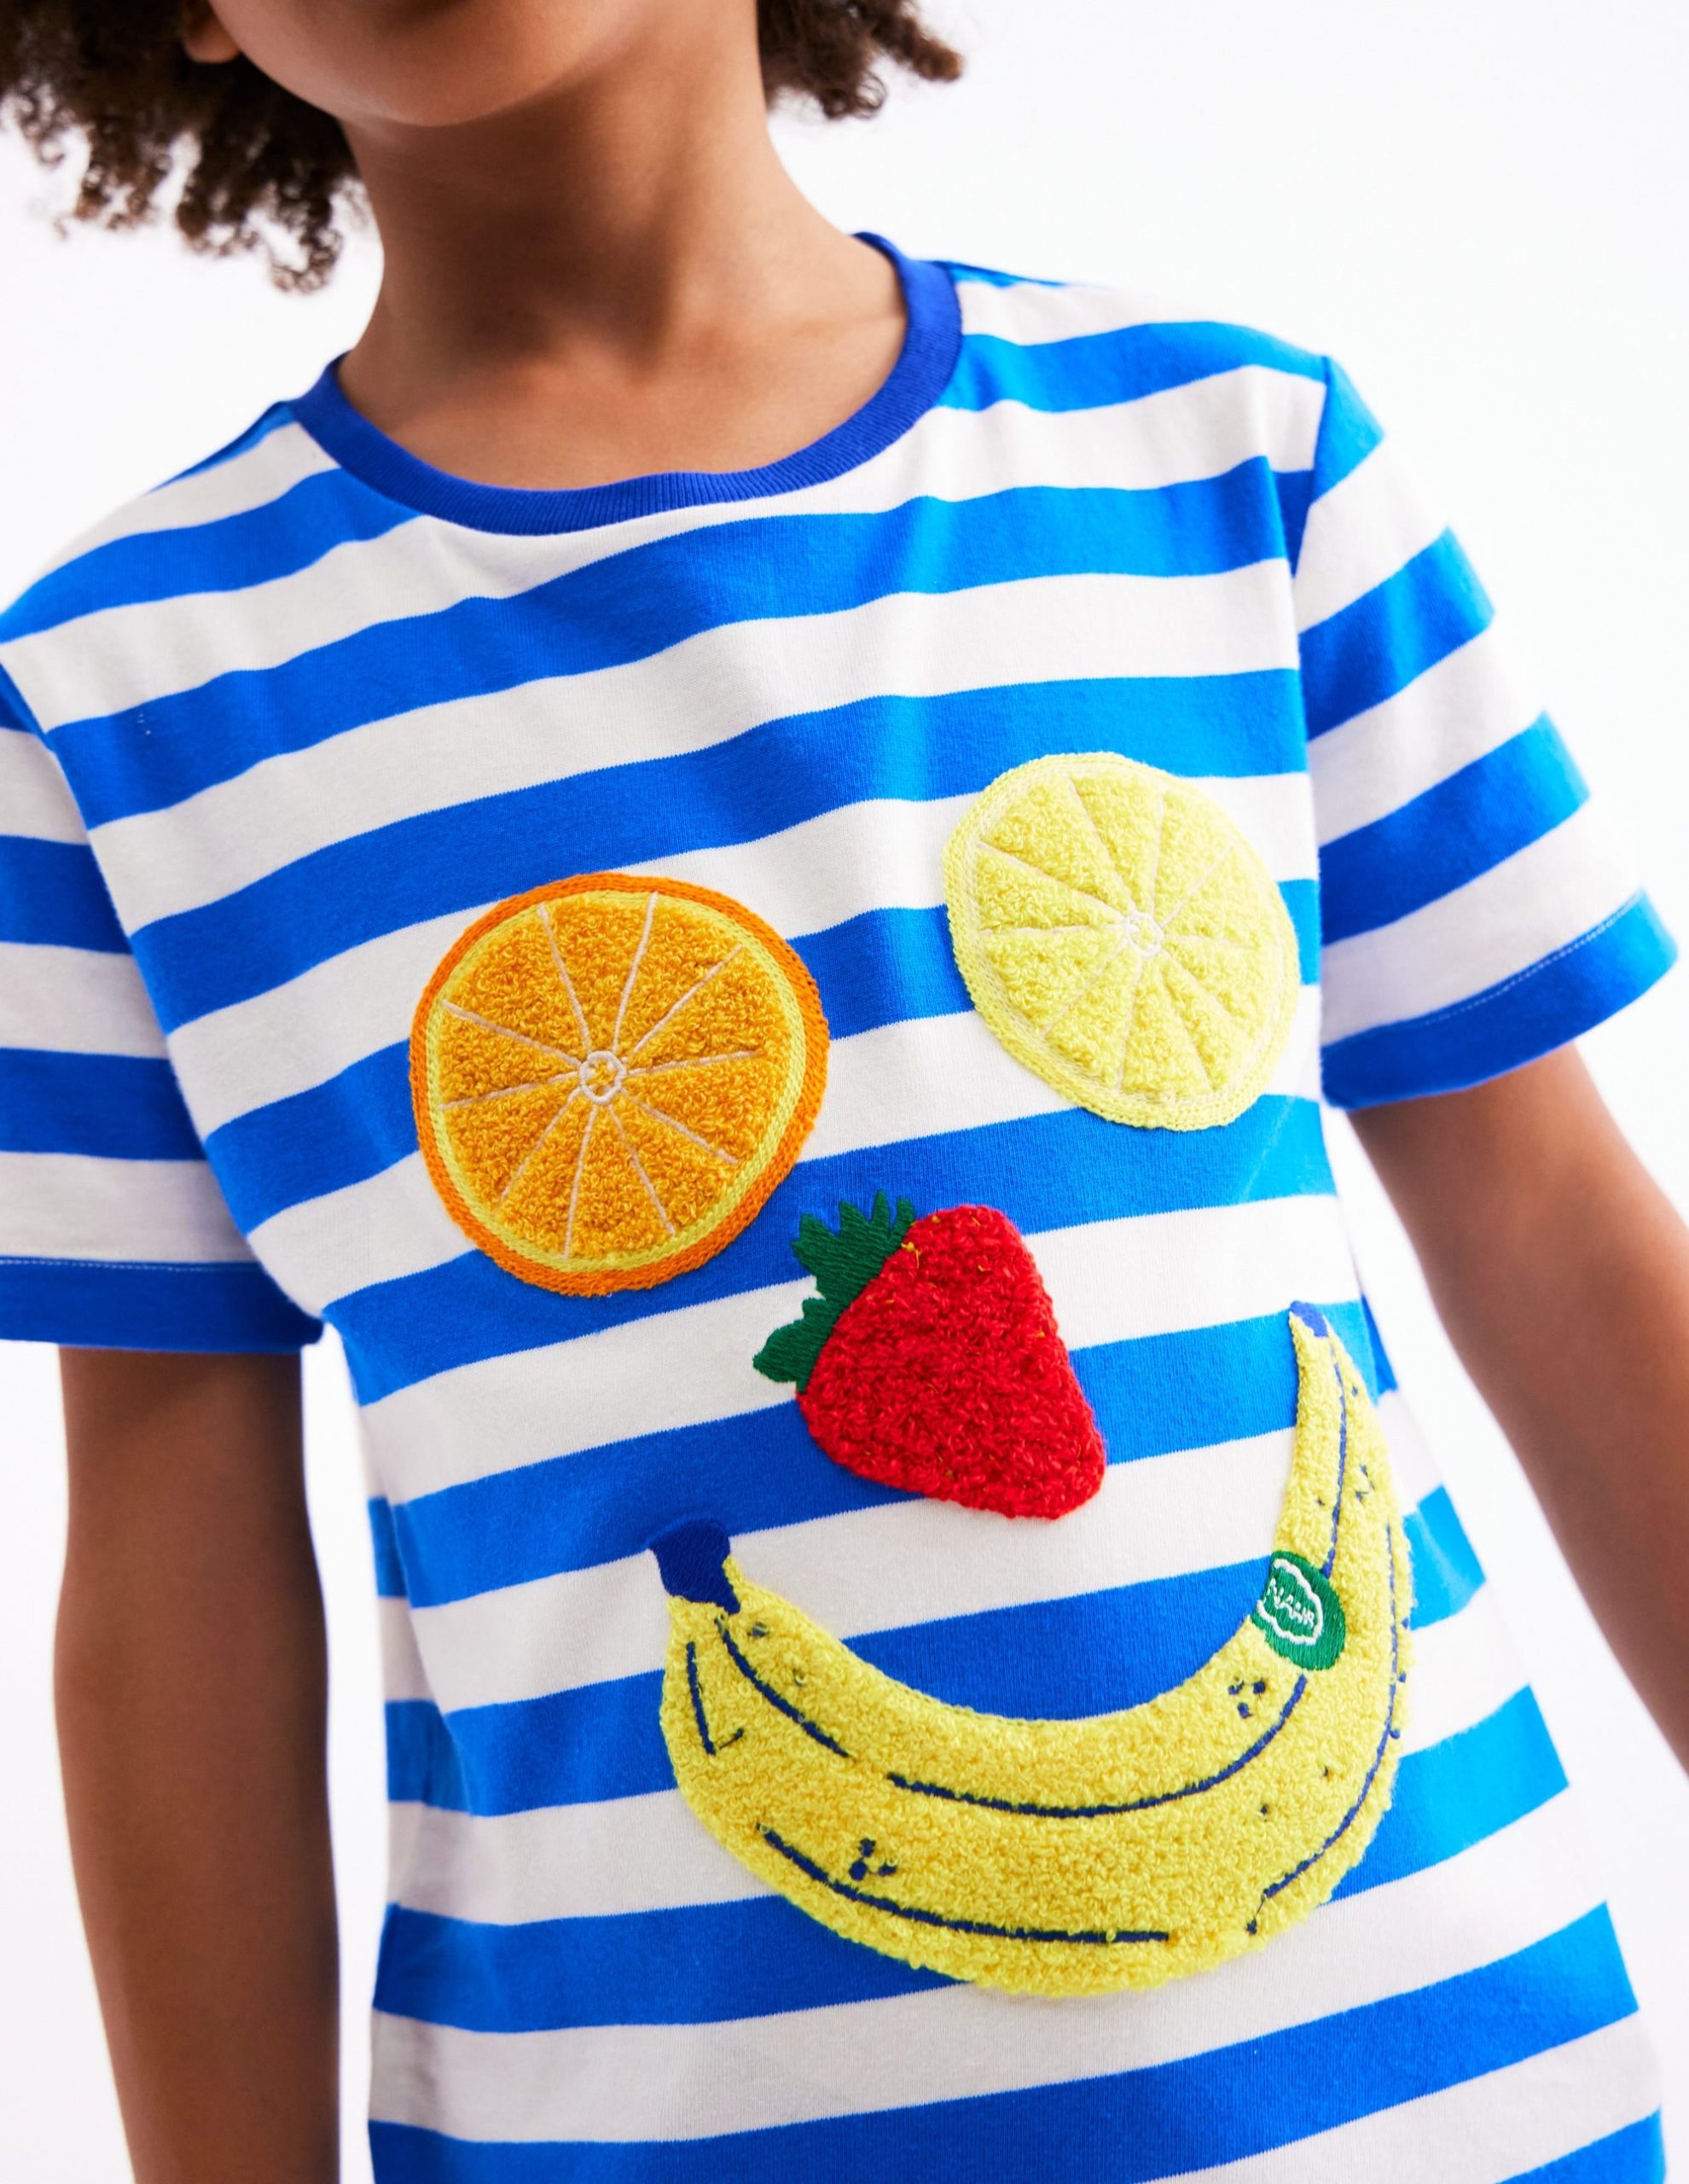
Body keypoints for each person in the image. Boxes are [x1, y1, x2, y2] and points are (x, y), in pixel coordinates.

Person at [1, 1, 1685, 2177]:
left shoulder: (1233, 459)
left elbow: (1555, 1229)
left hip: (1462, 2108)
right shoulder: (114, 696)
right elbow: (172, 1547)